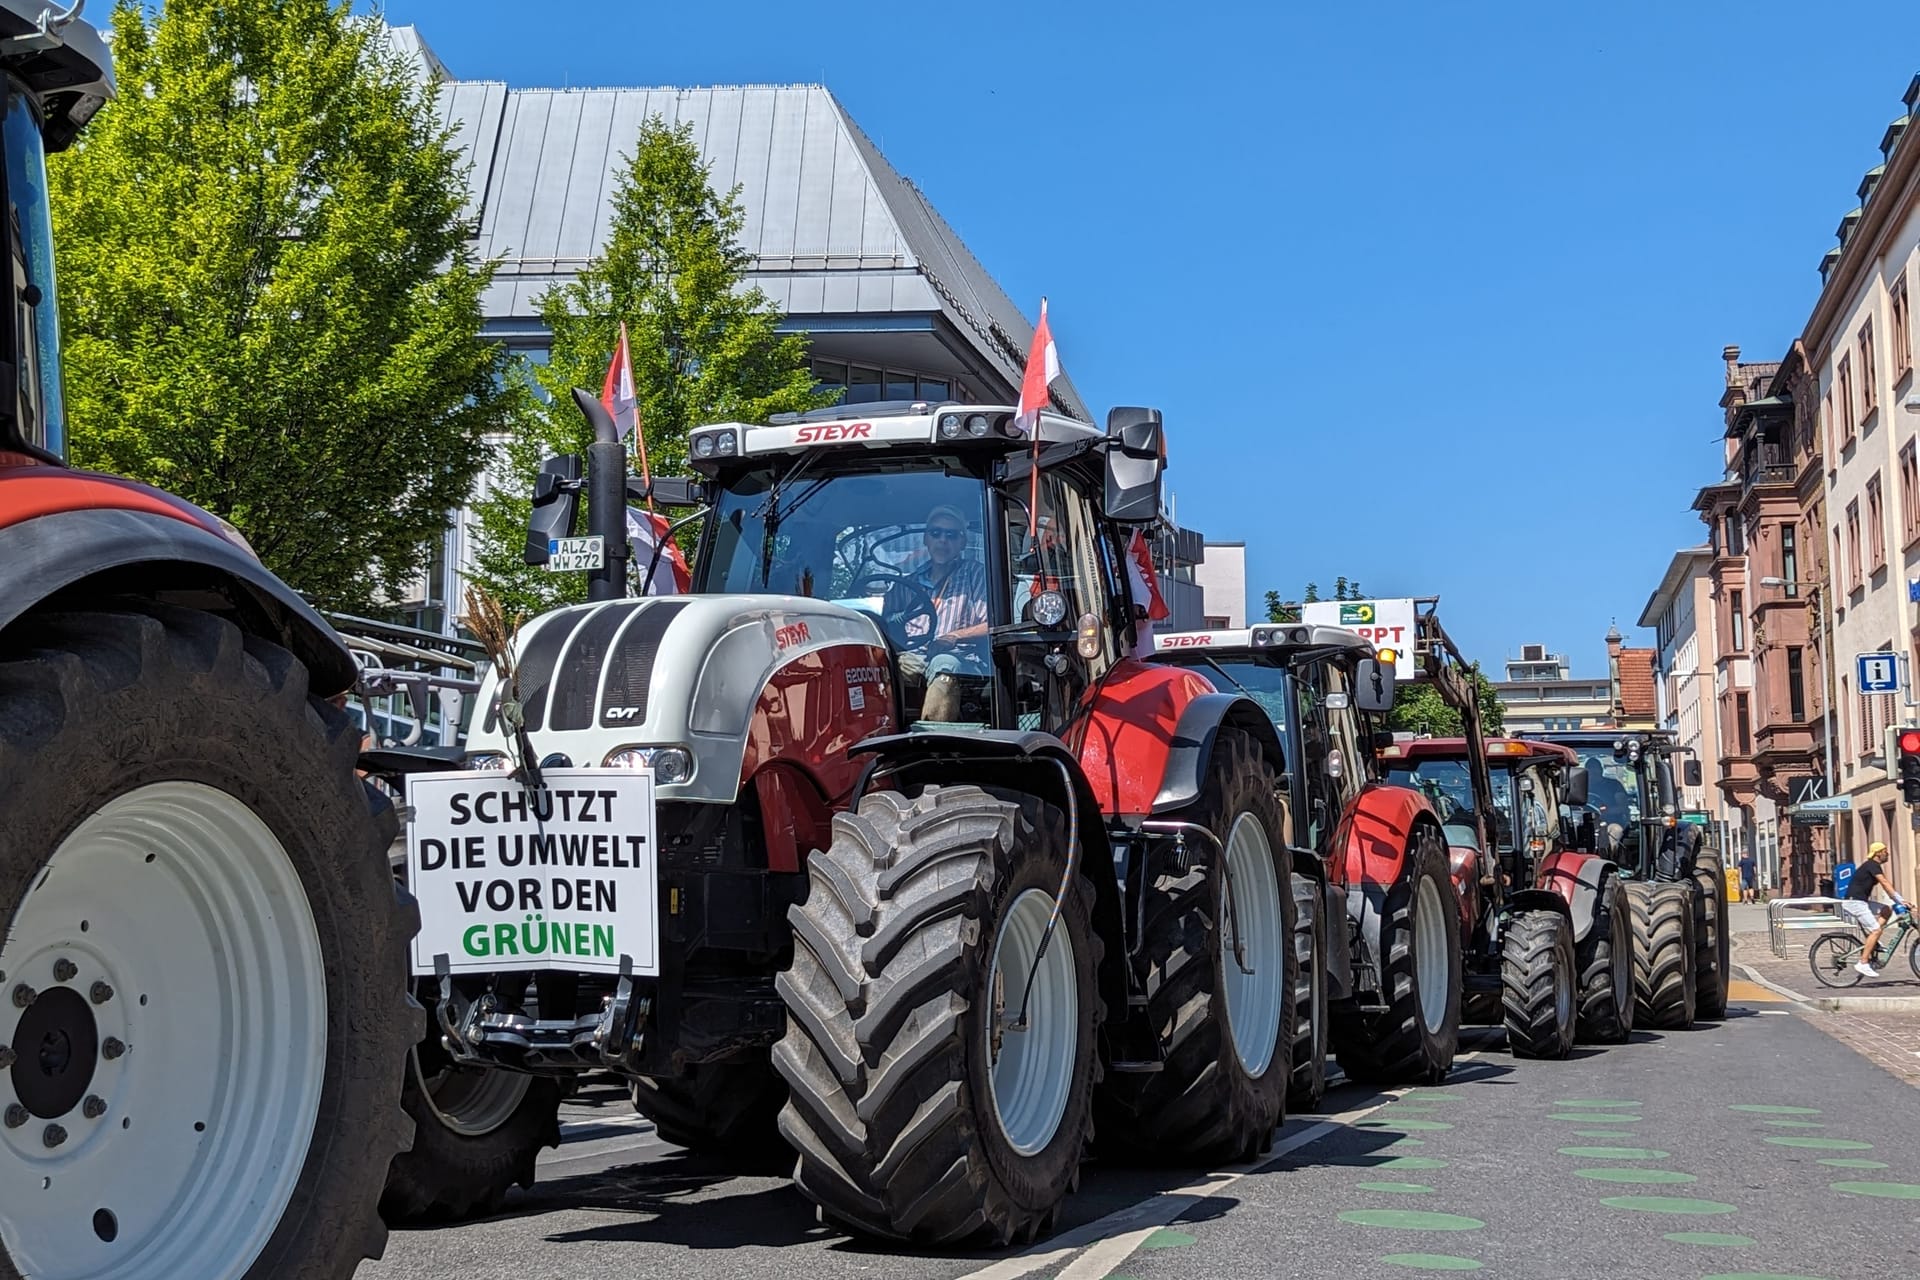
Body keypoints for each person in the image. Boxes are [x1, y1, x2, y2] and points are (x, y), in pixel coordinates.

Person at [887, 504, 990, 722]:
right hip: (914, 655)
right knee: (879, 665)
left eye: (951, 535)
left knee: (944, 665)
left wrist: (954, 636)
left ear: (962, 542)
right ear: (926, 539)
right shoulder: (910, 581)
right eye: (936, 533)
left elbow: (993, 623)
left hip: (961, 660)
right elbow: (885, 619)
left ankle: (933, 741)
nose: (943, 540)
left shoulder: (976, 574)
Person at [1843, 841, 1909, 977]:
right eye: (1885, 851)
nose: (1887, 853)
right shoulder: (1872, 865)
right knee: (1876, 929)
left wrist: (1896, 901)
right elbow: (1884, 883)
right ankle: (1863, 962)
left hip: (1862, 901)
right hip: (1854, 902)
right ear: (1878, 853)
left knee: (1886, 910)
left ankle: (1874, 941)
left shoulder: (1873, 865)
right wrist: (1900, 900)